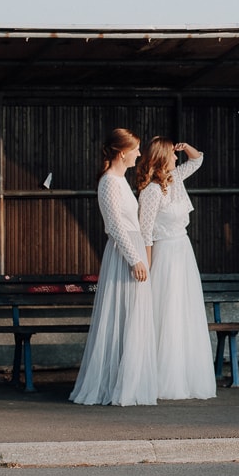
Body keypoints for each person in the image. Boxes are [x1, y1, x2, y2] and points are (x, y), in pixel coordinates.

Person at [70, 128, 157, 406]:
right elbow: (115, 226)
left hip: (132, 249)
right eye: (136, 149)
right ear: (122, 152)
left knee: (131, 317)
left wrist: (142, 254)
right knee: (122, 315)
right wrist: (134, 259)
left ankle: (128, 381)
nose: (139, 154)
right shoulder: (109, 182)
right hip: (123, 253)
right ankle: (114, 384)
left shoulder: (121, 181)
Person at [136, 137, 217, 399]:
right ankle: (162, 379)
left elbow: (199, 159)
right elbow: (145, 234)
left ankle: (186, 375)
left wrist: (185, 147)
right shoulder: (150, 192)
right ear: (161, 157)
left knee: (184, 312)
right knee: (167, 312)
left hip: (183, 252)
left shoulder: (176, 179)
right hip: (165, 255)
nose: (176, 157)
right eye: (172, 154)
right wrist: (146, 269)